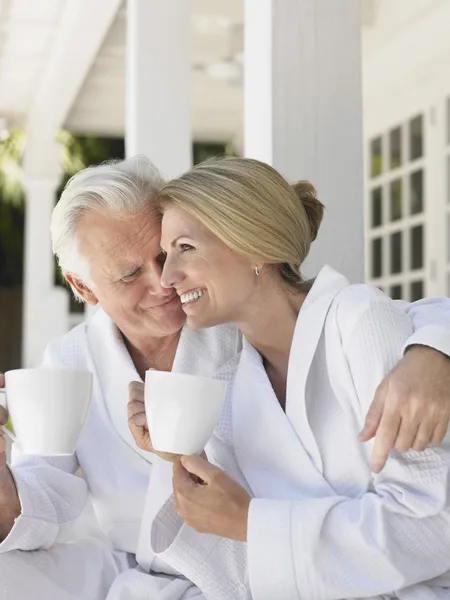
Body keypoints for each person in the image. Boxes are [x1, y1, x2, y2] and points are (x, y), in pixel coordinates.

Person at [0, 156, 449, 600]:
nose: (164, 281)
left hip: (285, 563)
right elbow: (45, 487)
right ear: (82, 288)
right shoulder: (74, 361)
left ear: (246, 242)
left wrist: (433, 350)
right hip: (169, 570)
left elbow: (390, 316)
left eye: (171, 251)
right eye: (130, 273)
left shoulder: (246, 325)